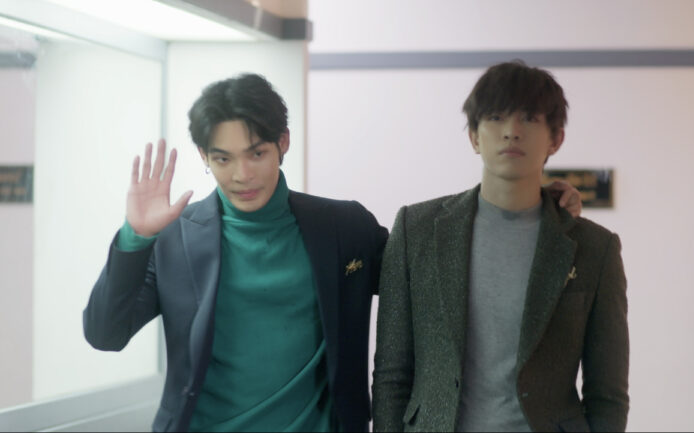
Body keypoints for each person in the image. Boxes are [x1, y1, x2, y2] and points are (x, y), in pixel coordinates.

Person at [83, 73, 584, 432]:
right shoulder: (174, 238)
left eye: (257, 153)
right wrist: (135, 237)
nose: (242, 175)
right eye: (223, 159)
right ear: (203, 158)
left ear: (283, 143)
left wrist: (530, 205)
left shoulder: (343, 227)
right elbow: (105, 334)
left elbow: (435, 270)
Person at [372, 60, 629, 432]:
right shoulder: (417, 230)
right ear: (474, 137)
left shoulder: (594, 248)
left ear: (555, 139)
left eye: (529, 118)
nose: (511, 132)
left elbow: (607, 395)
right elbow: (392, 376)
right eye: (495, 118)